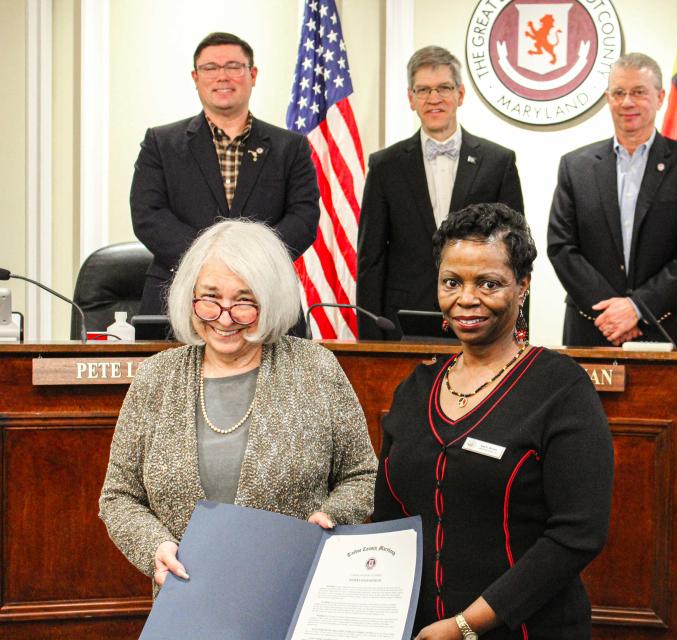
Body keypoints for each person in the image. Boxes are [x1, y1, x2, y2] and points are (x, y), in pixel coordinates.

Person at [373, 203, 613, 639]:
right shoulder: (414, 389)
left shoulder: (562, 389)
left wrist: (466, 626)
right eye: (452, 282)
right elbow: (388, 520)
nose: (466, 298)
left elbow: (578, 534)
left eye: (489, 283)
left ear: (522, 287)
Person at [99, 220, 377, 590]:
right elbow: (119, 496)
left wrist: (330, 516)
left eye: (244, 302)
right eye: (210, 298)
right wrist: (155, 546)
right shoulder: (156, 378)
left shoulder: (317, 368)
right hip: (188, 600)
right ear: (190, 296)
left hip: (294, 591)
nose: (224, 317)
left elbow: (362, 476)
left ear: (271, 299)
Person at [130, 32, 321, 324]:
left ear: (252, 74)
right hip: (179, 293)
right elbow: (148, 216)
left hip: (266, 293)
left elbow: (304, 218)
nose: (223, 76)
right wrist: (211, 263)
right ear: (195, 77)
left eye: (234, 66)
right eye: (210, 68)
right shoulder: (161, 142)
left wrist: (251, 263)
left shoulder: (290, 147)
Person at [547, 52, 677, 348]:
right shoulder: (575, 167)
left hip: (665, 326)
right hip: (593, 326)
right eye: (619, 93)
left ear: (660, 96)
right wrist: (613, 313)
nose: (627, 102)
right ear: (608, 99)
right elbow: (561, 247)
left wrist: (637, 308)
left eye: (639, 92)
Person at [357, 46, 524, 340]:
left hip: (481, 315)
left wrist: (518, 331)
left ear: (460, 94)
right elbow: (371, 259)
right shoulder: (385, 166)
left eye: (444, 88)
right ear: (411, 99)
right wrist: (370, 338)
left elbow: (516, 253)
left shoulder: (498, 162)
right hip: (402, 321)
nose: (434, 99)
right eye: (423, 90)